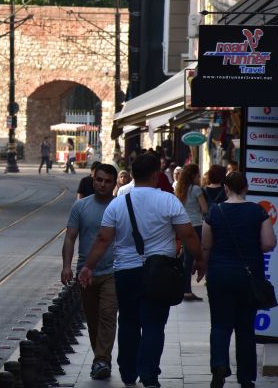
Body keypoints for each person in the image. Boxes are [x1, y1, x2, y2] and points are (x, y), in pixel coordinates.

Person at [78, 154, 205, 388]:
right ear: (156, 174)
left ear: (132, 175)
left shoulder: (118, 203)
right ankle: (149, 375)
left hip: (126, 272)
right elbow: (187, 234)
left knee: (128, 322)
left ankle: (128, 372)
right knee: (155, 325)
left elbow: (103, 238)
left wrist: (88, 266)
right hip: (159, 273)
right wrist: (199, 258)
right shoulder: (168, 201)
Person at [201, 172, 276, 388]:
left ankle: (219, 366)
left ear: (225, 188)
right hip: (248, 276)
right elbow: (267, 244)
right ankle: (246, 378)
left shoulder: (215, 211)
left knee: (220, 325)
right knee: (245, 328)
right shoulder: (257, 211)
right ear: (246, 188)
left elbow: (206, 245)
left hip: (220, 275)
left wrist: (203, 267)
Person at [61, 164, 118, 380]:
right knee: (93, 319)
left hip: (113, 271)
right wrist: (67, 265)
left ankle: (101, 360)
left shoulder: (119, 206)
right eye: (99, 180)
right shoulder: (80, 207)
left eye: (107, 181)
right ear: (93, 180)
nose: (102, 184)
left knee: (107, 315)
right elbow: (70, 237)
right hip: (86, 273)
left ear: (114, 184)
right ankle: (101, 359)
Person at [174, 163, 209, 301]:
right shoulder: (196, 190)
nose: (199, 177)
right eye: (198, 175)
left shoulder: (180, 189)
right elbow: (205, 209)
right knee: (190, 259)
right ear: (193, 176)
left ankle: (183, 288)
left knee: (186, 258)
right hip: (195, 226)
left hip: (182, 226)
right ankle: (186, 290)